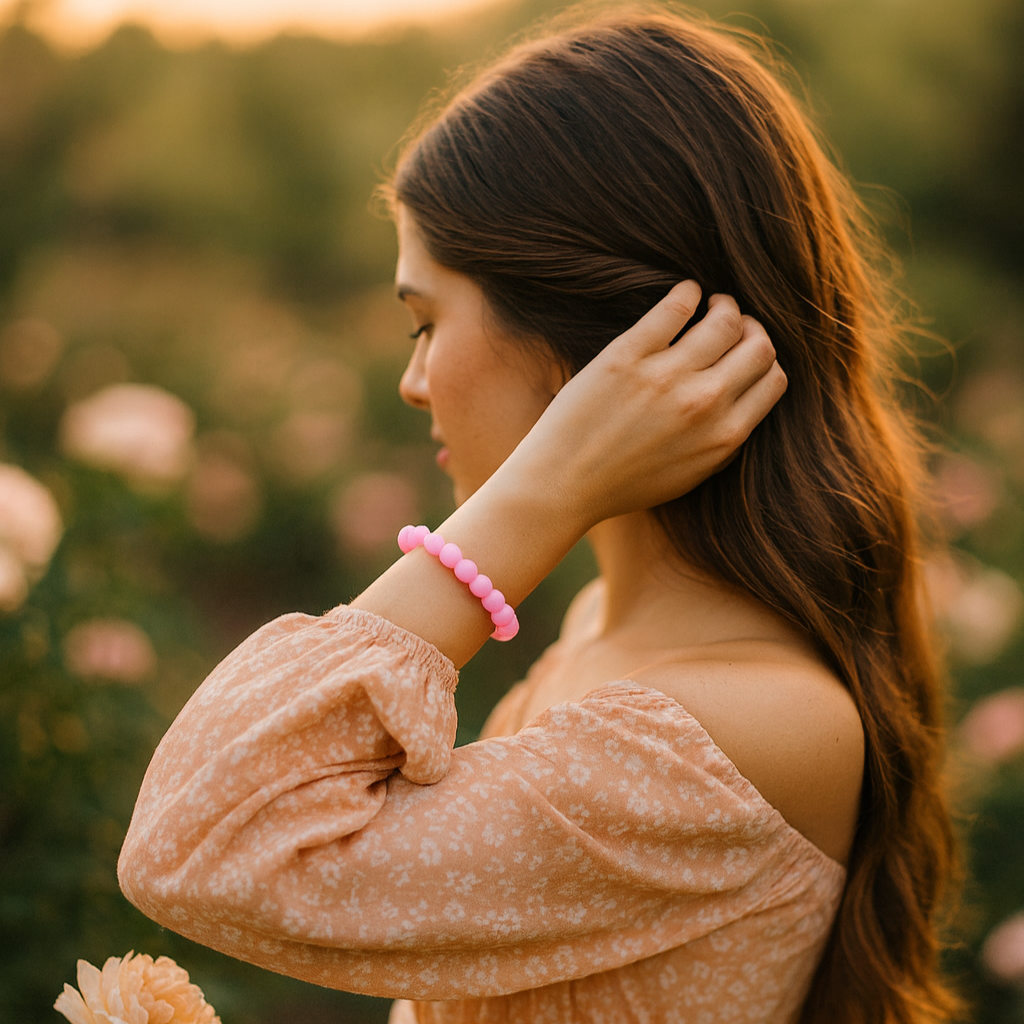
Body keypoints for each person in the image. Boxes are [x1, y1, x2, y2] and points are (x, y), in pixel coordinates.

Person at [117, 10, 962, 1024]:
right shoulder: (614, 632)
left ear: (596, 337)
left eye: (428, 322)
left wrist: (539, 489)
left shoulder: (738, 728)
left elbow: (197, 844)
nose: (412, 380)